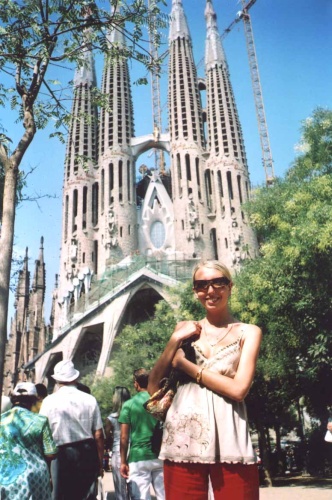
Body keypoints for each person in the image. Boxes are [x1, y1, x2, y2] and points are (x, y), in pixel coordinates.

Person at [148, 260, 262, 500]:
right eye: (202, 285)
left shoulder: (248, 332)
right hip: (183, 437)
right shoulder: (185, 330)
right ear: (195, 291)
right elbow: (153, 387)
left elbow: (239, 389)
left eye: (218, 283)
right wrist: (173, 341)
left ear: (230, 286)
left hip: (230, 436)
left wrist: (186, 367)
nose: (210, 291)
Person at [39, 360, 104, 500]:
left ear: (56, 380)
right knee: (86, 495)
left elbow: (42, 432)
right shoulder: (90, 399)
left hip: (60, 455)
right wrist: (99, 462)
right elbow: (98, 434)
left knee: (61, 495)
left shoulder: (48, 401)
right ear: (76, 378)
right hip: (87, 452)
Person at [0, 381, 57, 499]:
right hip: (35, 478)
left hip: (5, 477)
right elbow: (50, 453)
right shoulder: (40, 420)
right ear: (33, 400)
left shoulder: (2, 420)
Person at [119, 368, 165, 500]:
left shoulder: (129, 405)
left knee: (141, 497)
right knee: (164, 496)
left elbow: (124, 437)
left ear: (136, 383)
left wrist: (123, 462)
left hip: (138, 457)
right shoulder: (158, 401)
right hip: (159, 456)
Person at [105, 386, 131, 499]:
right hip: (133, 451)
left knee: (120, 490)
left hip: (118, 451)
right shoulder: (132, 414)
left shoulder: (111, 418)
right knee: (134, 487)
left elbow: (107, 436)